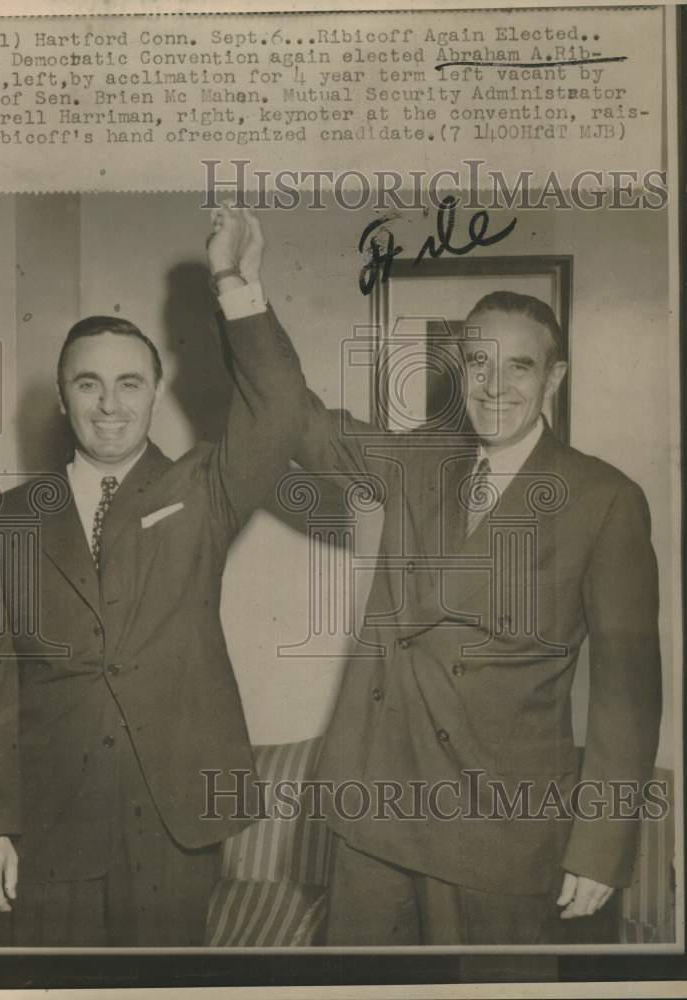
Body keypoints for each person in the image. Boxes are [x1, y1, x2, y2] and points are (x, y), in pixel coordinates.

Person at [0, 206, 303, 946]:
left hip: (177, 820)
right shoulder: (4, 521)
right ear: (63, 394)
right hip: (48, 825)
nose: (110, 404)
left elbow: (278, 410)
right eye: (89, 384)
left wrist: (235, 284)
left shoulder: (203, 489)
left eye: (130, 383)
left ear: (156, 391)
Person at [266, 279, 663, 945]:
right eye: (478, 362)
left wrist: (597, 847)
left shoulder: (604, 499)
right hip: (376, 816)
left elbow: (627, 694)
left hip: (498, 835)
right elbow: (293, 417)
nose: (494, 385)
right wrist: (239, 287)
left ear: (553, 377)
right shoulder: (417, 462)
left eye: (520, 365)